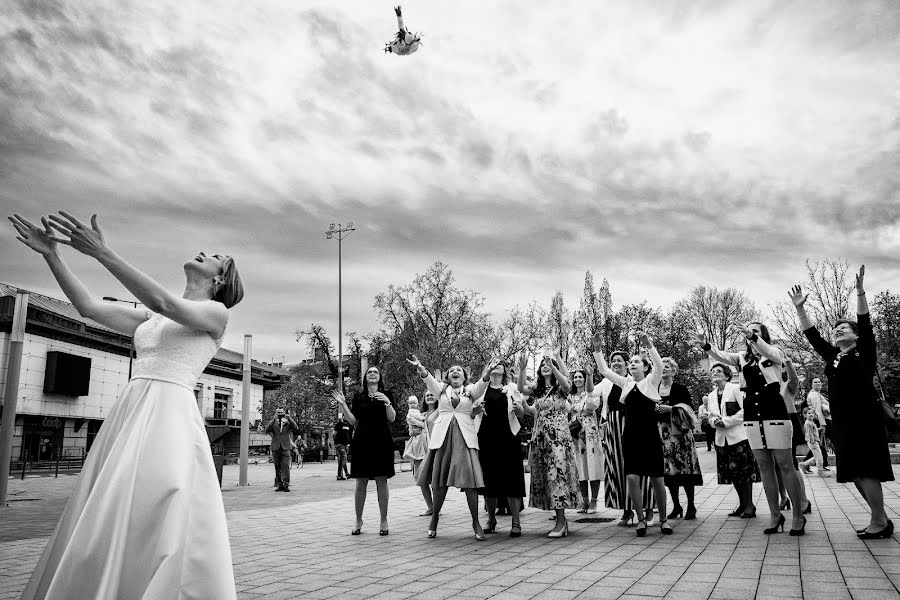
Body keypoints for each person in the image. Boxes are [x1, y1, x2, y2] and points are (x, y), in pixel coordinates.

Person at [11, 211, 242, 600]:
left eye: (215, 256)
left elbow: (161, 300)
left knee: (159, 502)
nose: (204, 252)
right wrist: (52, 255)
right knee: (110, 504)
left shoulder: (216, 314)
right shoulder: (151, 318)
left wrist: (103, 252)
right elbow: (88, 307)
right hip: (133, 409)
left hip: (170, 415)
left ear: (221, 279)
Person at [791, 266, 894, 538]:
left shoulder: (865, 351)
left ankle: (879, 521)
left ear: (856, 335)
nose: (837, 331)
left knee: (867, 471)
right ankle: (880, 518)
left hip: (865, 419)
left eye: (843, 328)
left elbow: (865, 320)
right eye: (835, 329)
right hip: (844, 421)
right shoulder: (834, 356)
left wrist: (860, 293)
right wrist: (801, 310)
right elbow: (812, 336)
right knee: (855, 472)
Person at [691, 323, 804, 535]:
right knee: (765, 467)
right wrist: (706, 345)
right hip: (752, 413)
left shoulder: (775, 353)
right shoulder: (743, 358)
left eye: (755, 331)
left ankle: (797, 515)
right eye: (748, 331)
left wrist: (753, 336)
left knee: (785, 465)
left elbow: (769, 351)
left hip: (775, 410)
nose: (749, 334)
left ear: (763, 336)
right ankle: (774, 515)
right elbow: (722, 356)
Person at [407, 356, 494, 540]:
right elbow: (429, 380)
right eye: (452, 370)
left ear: (464, 377)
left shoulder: (470, 391)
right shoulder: (442, 390)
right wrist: (421, 368)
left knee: (470, 483)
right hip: (443, 439)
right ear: (447, 376)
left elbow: (481, 385)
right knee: (439, 482)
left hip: (464, 439)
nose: (455, 371)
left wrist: (486, 374)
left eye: (459, 370)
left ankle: (475, 522)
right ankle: (435, 519)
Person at [594, 333, 671, 537]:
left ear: (645, 367)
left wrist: (650, 345)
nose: (634, 364)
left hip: (650, 437)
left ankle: (663, 520)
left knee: (657, 480)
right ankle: (641, 519)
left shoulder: (651, 382)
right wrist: (598, 350)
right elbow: (604, 370)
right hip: (631, 437)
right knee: (632, 478)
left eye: (638, 361)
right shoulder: (625, 384)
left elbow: (660, 366)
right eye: (633, 362)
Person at [518, 350, 581, 537]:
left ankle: (561, 522)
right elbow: (522, 390)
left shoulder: (560, 389)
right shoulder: (537, 389)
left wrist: (554, 366)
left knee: (557, 475)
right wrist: (522, 370)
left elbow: (567, 384)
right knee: (548, 476)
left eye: (549, 364)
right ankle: (560, 519)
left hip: (558, 437)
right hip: (541, 437)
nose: (545, 366)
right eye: (543, 365)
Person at [332, 366, 396, 536]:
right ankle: (358, 519)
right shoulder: (359, 397)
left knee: (382, 480)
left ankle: (383, 520)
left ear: (380, 377)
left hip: (382, 440)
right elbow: (352, 421)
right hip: (362, 441)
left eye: (375, 372)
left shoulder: (387, 394)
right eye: (370, 372)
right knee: (361, 481)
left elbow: (392, 418)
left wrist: (387, 403)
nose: (373, 374)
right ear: (365, 378)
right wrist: (343, 404)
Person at [597, 351, 656, 527]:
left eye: (619, 361)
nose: (616, 363)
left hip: (631, 424)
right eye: (613, 360)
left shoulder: (633, 381)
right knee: (619, 468)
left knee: (640, 468)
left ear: (626, 363)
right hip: (613, 427)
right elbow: (595, 391)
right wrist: (598, 352)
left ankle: (649, 509)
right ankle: (627, 510)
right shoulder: (608, 382)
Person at [475, 361, 526, 537]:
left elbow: (520, 414)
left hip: (508, 438)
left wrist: (518, 406)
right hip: (486, 439)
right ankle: (490, 519)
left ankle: (516, 522)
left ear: (505, 370)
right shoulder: (481, 387)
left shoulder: (511, 387)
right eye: (493, 363)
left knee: (512, 479)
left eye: (500, 364)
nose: (496, 366)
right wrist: (476, 409)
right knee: (489, 480)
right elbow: (471, 411)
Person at [706, 363, 760, 518]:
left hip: (739, 438)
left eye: (719, 371)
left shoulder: (735, 389)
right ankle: (742, 504)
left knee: (745, 472)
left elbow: (746, 410)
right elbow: (710, 415)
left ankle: (749, 505)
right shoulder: (711, 396)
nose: (715, 373)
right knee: (732, 473)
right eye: (713, 372)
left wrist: (727, 421)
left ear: (727, 375)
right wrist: (714, 421)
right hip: (722, 439)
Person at [657, 358, 702, 520]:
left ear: (674, 371)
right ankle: (676, 506)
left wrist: (670, 409)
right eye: (661, 366)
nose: (663, 369)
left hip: (680, 435)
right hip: (663, 435)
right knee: (669, 472)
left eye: (667, 367)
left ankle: (691, 505)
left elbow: (689, 410)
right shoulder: (654, 388)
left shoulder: (680, 389)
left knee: (685, 470)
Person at [569, 369, 603, 514]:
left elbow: (593, 406)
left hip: (590, 433)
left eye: (580, 377)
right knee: (580, 468)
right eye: (575, 377)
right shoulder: (570, 396)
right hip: (576, 435)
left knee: (592, 465)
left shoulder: (592, 393)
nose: (578, 379)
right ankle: (584, 500)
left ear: (585, 379)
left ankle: (594, 501)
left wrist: (590, 380)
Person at [266, 408, 299, 491]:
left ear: (284, 413)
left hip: (286, 447)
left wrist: (290, 418)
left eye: (281, 413)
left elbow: (295, 428)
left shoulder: (287, 422)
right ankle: (279, 484)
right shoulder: (273, 422)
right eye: (278, 413)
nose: (280, 414)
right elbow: (267, 430)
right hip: (276, 447)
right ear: (275, 413)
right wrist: (273, 419)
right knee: (277, 466)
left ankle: (286, 484)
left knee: (285, 466)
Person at [803, 378, 830, 470]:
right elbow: (817, 410)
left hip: (822, 421)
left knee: (821, 444)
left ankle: (806, 463)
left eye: (819, 381)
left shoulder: (817, 394)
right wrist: (822, 424)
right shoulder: (814, 395)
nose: (818, 383)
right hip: (822, 422)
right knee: (821, 444)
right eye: (815, 382)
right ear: (811, 384)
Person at [798, 408, 831, 477]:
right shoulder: (808, 423)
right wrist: (813, 441)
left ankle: (803, 464)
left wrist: (818, 429)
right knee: (819, 458)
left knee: (817, 457)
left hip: (814, 441)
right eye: (809, 413)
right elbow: (809, 433)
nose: (811, 414)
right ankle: (820, 471)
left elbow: (813, 431)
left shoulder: (811, 423)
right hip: (813, 442)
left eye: (812, 413)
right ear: (805, 415)